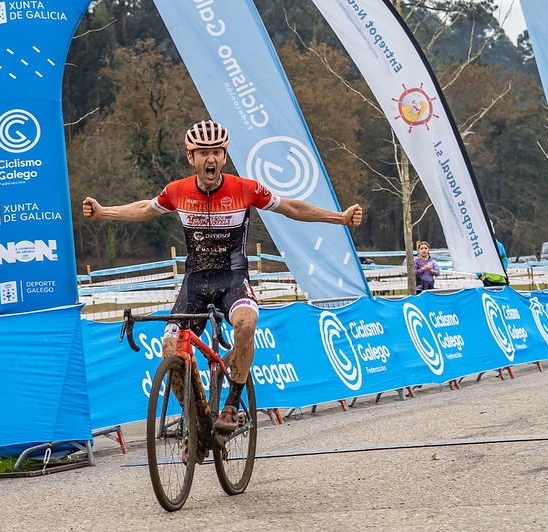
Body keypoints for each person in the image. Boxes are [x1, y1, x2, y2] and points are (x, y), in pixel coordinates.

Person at [83, 120, 363, 433]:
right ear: (191, 159)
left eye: (216, 151)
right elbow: (145, 209)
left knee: (246, 325)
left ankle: (231, 405)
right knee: (169, 348)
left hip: (233, 279)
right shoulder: (177, 191)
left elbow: (292, 208)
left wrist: (339, 218)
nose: (210, 158)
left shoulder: (245, 189)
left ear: (224, 157)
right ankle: (195, 420)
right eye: (203, 153)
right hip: (196, 283)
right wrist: (104, 211)